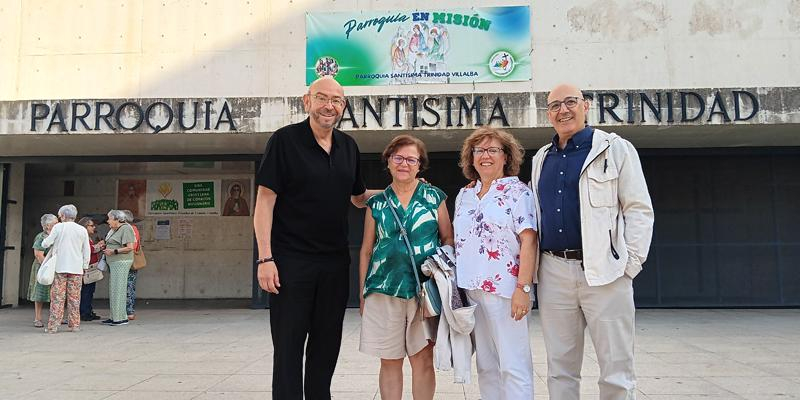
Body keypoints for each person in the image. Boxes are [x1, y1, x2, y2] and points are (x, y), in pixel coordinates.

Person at [253, 76, 379, 399]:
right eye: (322, 98)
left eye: (336, 100)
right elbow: (265, 202)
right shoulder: (284, 141)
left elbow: (358, 197)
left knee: (326, 350)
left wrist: (402, 191)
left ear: (343, 107)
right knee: (288, 350)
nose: (329, 106)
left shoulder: (348, 147)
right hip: (290, 263)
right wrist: (265, 258)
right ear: (306, 101)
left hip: (335, 264)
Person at [531, 83, 654, 400]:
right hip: (554, 273)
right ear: (549, 114)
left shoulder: (615, 149)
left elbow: (638, 209)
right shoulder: (541, 159)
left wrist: (630, 265)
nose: (563, 110)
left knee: (616, 371)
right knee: (560, 369)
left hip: (606, 273)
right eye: (555, 105)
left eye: (570, 102)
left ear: (586, 106)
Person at [358, 135, 453, 400]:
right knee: (389, 360)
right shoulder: (376, 204)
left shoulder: (434, 197)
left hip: (424, 292)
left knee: (422, 359)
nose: (404, 164)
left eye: (411, 159)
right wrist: (362, 293)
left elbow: (447, 239)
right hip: (382, 290)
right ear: (388, 161)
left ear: (420, 165)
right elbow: (367, 250)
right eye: (398, 158)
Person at [453, 127, 538, 399]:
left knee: (514, 365)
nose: (485, 156)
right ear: (471, 157)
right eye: (479, 150)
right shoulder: (464, 195)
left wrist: (523, 289)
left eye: (493, 150)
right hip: (471, 292)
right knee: (486, 366)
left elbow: (529, 240)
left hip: (506, 292)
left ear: (506, 157)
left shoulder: (518, 192)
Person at [40, 205, 91, 333]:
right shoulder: (81, 230)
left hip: (60, 268)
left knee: (57, 297)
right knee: (74, 298)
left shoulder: (58, 227)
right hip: (76, 268)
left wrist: (45, 238)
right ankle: (74, 325)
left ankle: (53, 326)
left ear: (63, 216)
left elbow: (46, 243)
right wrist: (85, 266)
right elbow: (86, 250)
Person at [102, 209, 137, 326]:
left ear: (117, 219)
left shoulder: (126, 228)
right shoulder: (114, 229)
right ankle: (114, 316)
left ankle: (120, 318)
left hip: (121, 261)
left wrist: (114, 251)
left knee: (119, 289)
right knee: (114, 289)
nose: (107, 221)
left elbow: (130, 247)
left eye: (109, 218)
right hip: (114, 262)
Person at [27, 213, 57, 328]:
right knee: (40, 292)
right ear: (48, 225)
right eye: (55, 223)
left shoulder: (56, 235)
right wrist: (48, 267)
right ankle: (37, 318)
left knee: (55, 292)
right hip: (43, 267)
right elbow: (38, 255)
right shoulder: (41, 237)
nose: (57, 224)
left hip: (53, 267)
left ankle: (54, 317)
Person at [78, 217, 104, 321]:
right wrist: (100, 246)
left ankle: (88, 310)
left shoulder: (88, 237)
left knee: (89, 290)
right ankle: (84, 312)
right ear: (85, 227)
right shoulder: (82, 237)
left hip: (91, 267)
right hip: (87, 268)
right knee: (86, 291)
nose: (94, 227)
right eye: (91, 225)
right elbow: (89, 250)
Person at [123, 210, 140, 320]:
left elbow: (131, 246)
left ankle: (129, 311)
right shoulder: (134, 229)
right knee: (130, 286)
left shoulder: (130, 229)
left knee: (128, 286)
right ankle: (129, 310)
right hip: (130, 261)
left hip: (129, 261)